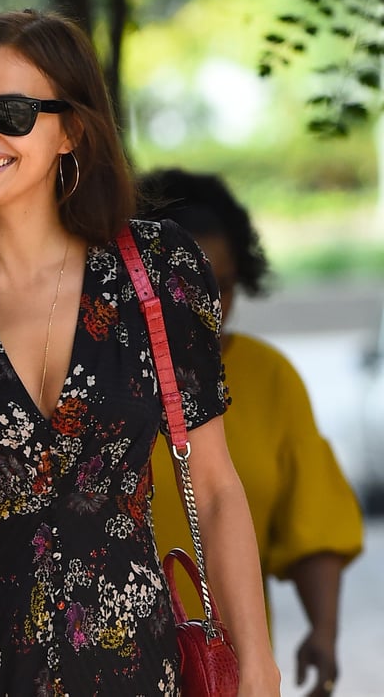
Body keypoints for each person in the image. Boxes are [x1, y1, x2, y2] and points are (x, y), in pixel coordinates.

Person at [0, 9, 281, 695]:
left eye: (13, 112)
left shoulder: (159, 270)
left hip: (131, 664)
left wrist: (257, 665)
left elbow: (216, 489)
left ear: (72, 130)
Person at [140, 167, 364, 697]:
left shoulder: (271, 378)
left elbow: (313, 519)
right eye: (184, 287)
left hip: (224, 670)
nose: (205, 306)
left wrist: (323, 633)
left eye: (219, 286)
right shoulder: (104, 377)